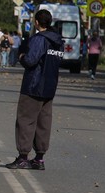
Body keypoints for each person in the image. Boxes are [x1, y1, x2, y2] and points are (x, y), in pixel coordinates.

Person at [5, 9, 64, 170]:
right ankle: (39, 158)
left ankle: (23, 156)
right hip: (50, 86)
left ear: (37, 22)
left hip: (34, 85)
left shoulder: (39, 39)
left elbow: (31, 61)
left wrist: (22, 57)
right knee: (43, 122)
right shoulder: (58, 41)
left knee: (26, 120)